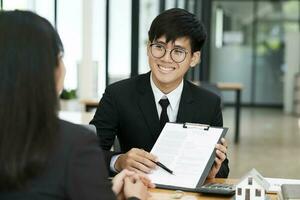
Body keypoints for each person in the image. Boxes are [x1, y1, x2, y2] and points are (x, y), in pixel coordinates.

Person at [0, 10, 153, 200]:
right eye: (60, 56)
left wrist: (105, 193)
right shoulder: (73, 144)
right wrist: (135, 198)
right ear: (47, 69)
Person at [90, 8, 229, 178]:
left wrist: (213, 171)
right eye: (159, 47)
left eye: (178, 51)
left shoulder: (209, 104)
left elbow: (223, 169)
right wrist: (118, 161)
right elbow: (87, 153)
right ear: (149, 48)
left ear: (194, 58)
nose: (165, 58)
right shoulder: (117, 94)